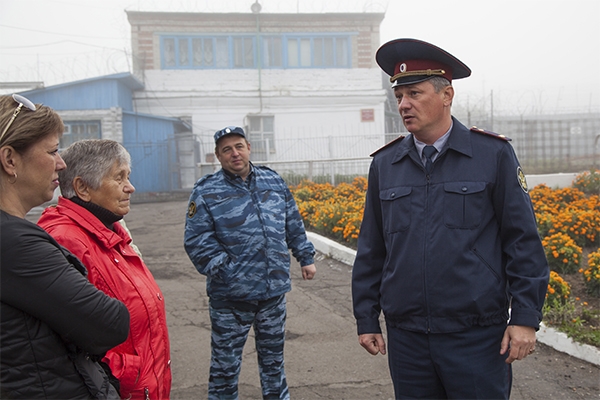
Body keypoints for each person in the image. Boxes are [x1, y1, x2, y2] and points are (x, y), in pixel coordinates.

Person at [351, 39, 549, 399]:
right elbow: (372, 247)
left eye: (414, 93)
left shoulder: (492, 155)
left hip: (475, 336)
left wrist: (524, 317)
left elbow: (522, 240)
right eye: (399, 96)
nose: (404, 104)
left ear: (447, 95)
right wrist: (366, 317)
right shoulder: (385, 164)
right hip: (408, 338)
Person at [0, 94, 130, 399]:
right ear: (9, 160)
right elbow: (109, 323)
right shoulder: (15, 245)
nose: (61, 163)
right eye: (52, 151)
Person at [184, 126, 317, 399]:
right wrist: (230, 273)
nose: (235, 154)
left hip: (273, 293)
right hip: (231, 298)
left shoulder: (273, 181)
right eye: (227, 150)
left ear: (249, 148)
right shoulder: (206, 191)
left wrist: (305, 257)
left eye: (239, 146)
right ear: (218, 157)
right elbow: (197, 241)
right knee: (225, 366)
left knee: (273, 363)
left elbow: (292, 222)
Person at [37, 139, 172, 400]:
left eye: (128, 176)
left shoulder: (111, 231)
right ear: (82, 188)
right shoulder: (67, 241)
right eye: (119, 177)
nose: (130, 187)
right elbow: (63, 344)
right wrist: (129, 373)